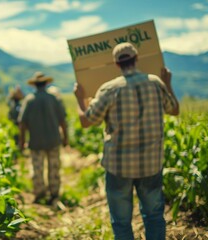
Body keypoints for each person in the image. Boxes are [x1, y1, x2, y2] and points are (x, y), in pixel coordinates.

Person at [73, 42, 179, 239]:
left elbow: (86, 121)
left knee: (121, 222)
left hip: (119, 167)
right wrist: (168, 83)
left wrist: (79, 99)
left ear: (116, 64)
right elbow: (175, 110)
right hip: (151, 164)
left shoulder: (109, 89)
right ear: (137, 58)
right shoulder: (156, 83)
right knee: (154, 216)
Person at [19, 71, 69, 205]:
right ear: (46, 83)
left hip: (36, 141)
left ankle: (39, 193)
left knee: (37, 169)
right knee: (54, 168)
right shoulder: (54, 99)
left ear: (34, 85)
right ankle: (54, 194)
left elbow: (22, 124)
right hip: (53, 140)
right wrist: (66, 138)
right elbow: (63, 120)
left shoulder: (29, 100)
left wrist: (22, 142)